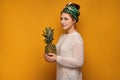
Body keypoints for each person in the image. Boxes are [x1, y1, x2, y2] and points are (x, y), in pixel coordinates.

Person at [44, 2, 84, 80]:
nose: (62, 22)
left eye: (66, 19)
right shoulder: (62, 37)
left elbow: (79, 62)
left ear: (74, 20)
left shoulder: (76, 38)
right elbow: (58, 56)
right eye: (61, 18)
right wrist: (50, 57)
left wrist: (57, 58)